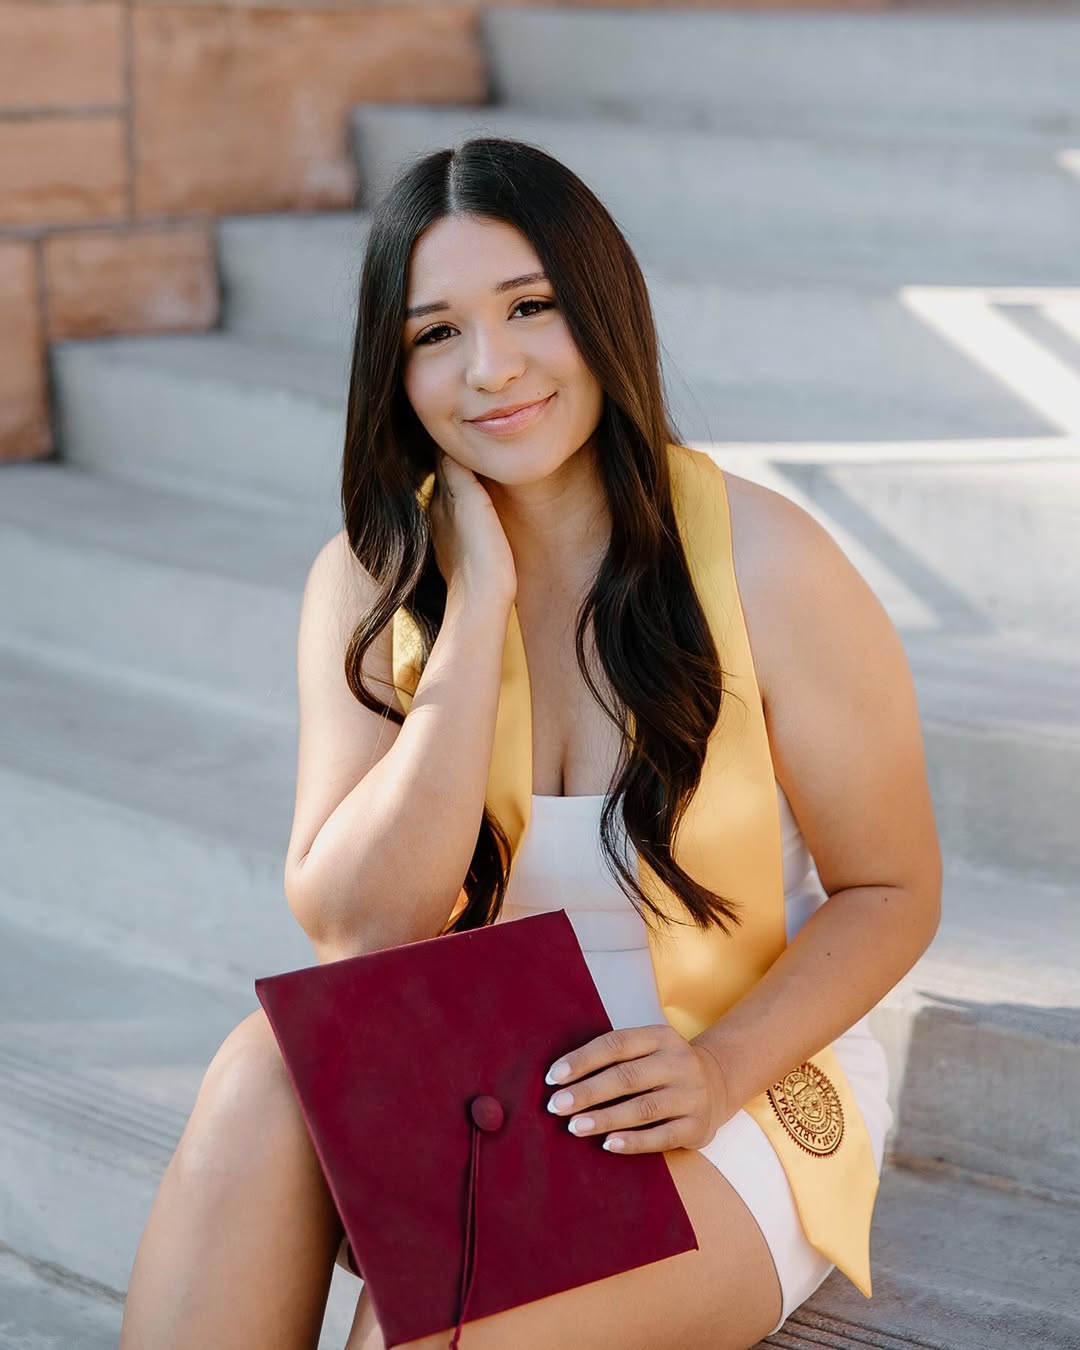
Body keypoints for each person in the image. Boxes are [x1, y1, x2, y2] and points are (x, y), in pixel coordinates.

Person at [119, 137, 942, 1350]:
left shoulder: (771, 565)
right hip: (486, 1069)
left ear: (601, 309)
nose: (490, 367)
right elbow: (359, 932)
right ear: (393, 368)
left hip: (726, 1090)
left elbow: (892, 888)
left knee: (442, 1324)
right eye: (436, 331)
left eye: (529, 307)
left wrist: (719, 1069)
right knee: (259, 1078)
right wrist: (476, 612)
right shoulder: (370, 582)